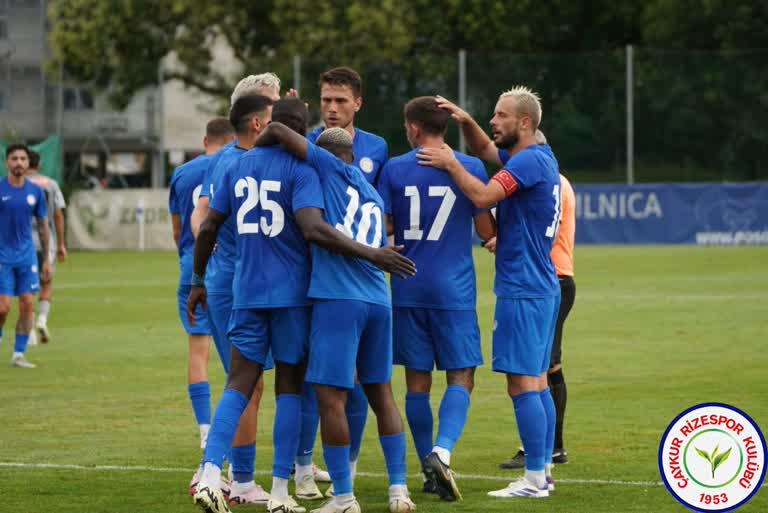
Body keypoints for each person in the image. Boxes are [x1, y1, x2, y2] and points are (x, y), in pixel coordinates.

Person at [190, 98, 415, 513]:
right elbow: (312, 228)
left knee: (239, 382)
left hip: (247, 291)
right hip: (300, 295)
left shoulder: (233, 166)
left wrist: (198, 281)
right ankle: (282, 491)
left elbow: (206, 228)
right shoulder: (309, 171)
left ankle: (208, 473)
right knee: (294, 387)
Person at [254, 121, 417, 513]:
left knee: (331, 399)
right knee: (383, 395)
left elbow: (277, 129)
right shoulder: (372, 194)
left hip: (338, 298)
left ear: (326, 153)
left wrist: (254, 154)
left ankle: (344, 498)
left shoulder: (326, 168)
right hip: (379, 300)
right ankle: (399, 491)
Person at [422, 87, 561, 498]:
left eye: (500, 116)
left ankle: (534, 478)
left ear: (524, 123)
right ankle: (544, 471)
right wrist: (466, 120)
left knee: (522, 384)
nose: (494, 122)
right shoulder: (539, 156)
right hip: (541, 284)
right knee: (537, 381)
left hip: (523, 288)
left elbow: (482, 195)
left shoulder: (529, 161)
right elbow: (485, 148)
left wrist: (450, 163)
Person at [376, 96, 496, 501]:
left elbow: (386, 224)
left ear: (412, 128)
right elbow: (485, 226)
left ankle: (427, 470)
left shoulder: (393, 168)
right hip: (453, 289)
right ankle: (441, 453)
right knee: (462, 374)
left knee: (417, 381)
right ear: (444, 128)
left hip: (407, 285)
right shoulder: (471, 167)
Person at [297, 66, 388, 500]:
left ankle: (344, 473)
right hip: (317, 274)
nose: (331, 109)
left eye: (340, 101)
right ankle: (300, 465)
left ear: (357, 104)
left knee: (351, 381)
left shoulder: (377, 148)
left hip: (357, 282)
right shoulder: (311, 144)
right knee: (312, 377)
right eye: (325, 100)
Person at [188, 95, 276, 506]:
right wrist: (201, 276)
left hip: (233, 279)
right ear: (258, 122)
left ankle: (233, 477)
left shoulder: (228, 159)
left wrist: (200, 276)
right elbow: (205, 219)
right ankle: (226, 476)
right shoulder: (237, 161)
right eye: (273, 114)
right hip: (242, 282)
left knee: (249, 383)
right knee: (245, 382)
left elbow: (205, 223)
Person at [496, 131, 576, 470]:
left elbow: (491, 198)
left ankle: (546, 456)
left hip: (541, 278)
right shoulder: (554, 176)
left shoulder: (536, 178)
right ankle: (543, 456)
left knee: (536, 374)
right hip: (553, 278)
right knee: (542, 372)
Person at [169, 117, 235, 470]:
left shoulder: (183, 173)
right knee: (237, 360)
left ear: (204, 139)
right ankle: (232, 429)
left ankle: (206, 429)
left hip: (191, 267)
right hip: (227, 267)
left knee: (198, 350)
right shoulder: (236, 162)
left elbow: (178, 228)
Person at [0, 144, 51, 368]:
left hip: (27, 257)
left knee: (28, 305)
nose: (19, 163)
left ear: (28, 164)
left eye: (22, 159)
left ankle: (18, 354)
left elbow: (43, 226)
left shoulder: (35, 192)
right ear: (6, 163)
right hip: (2, 257)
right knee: (3, 307)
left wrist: (46, 259)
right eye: (14, 159)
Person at [26, 150, 67, 344]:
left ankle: (30, 328)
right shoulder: (51, 184)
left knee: (26, 287)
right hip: (46, 240)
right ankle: (42, 320)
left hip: (22, 241)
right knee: (46, 282)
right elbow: (58, 215)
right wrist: (61, 244)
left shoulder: (15, 184)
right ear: (39, 166)